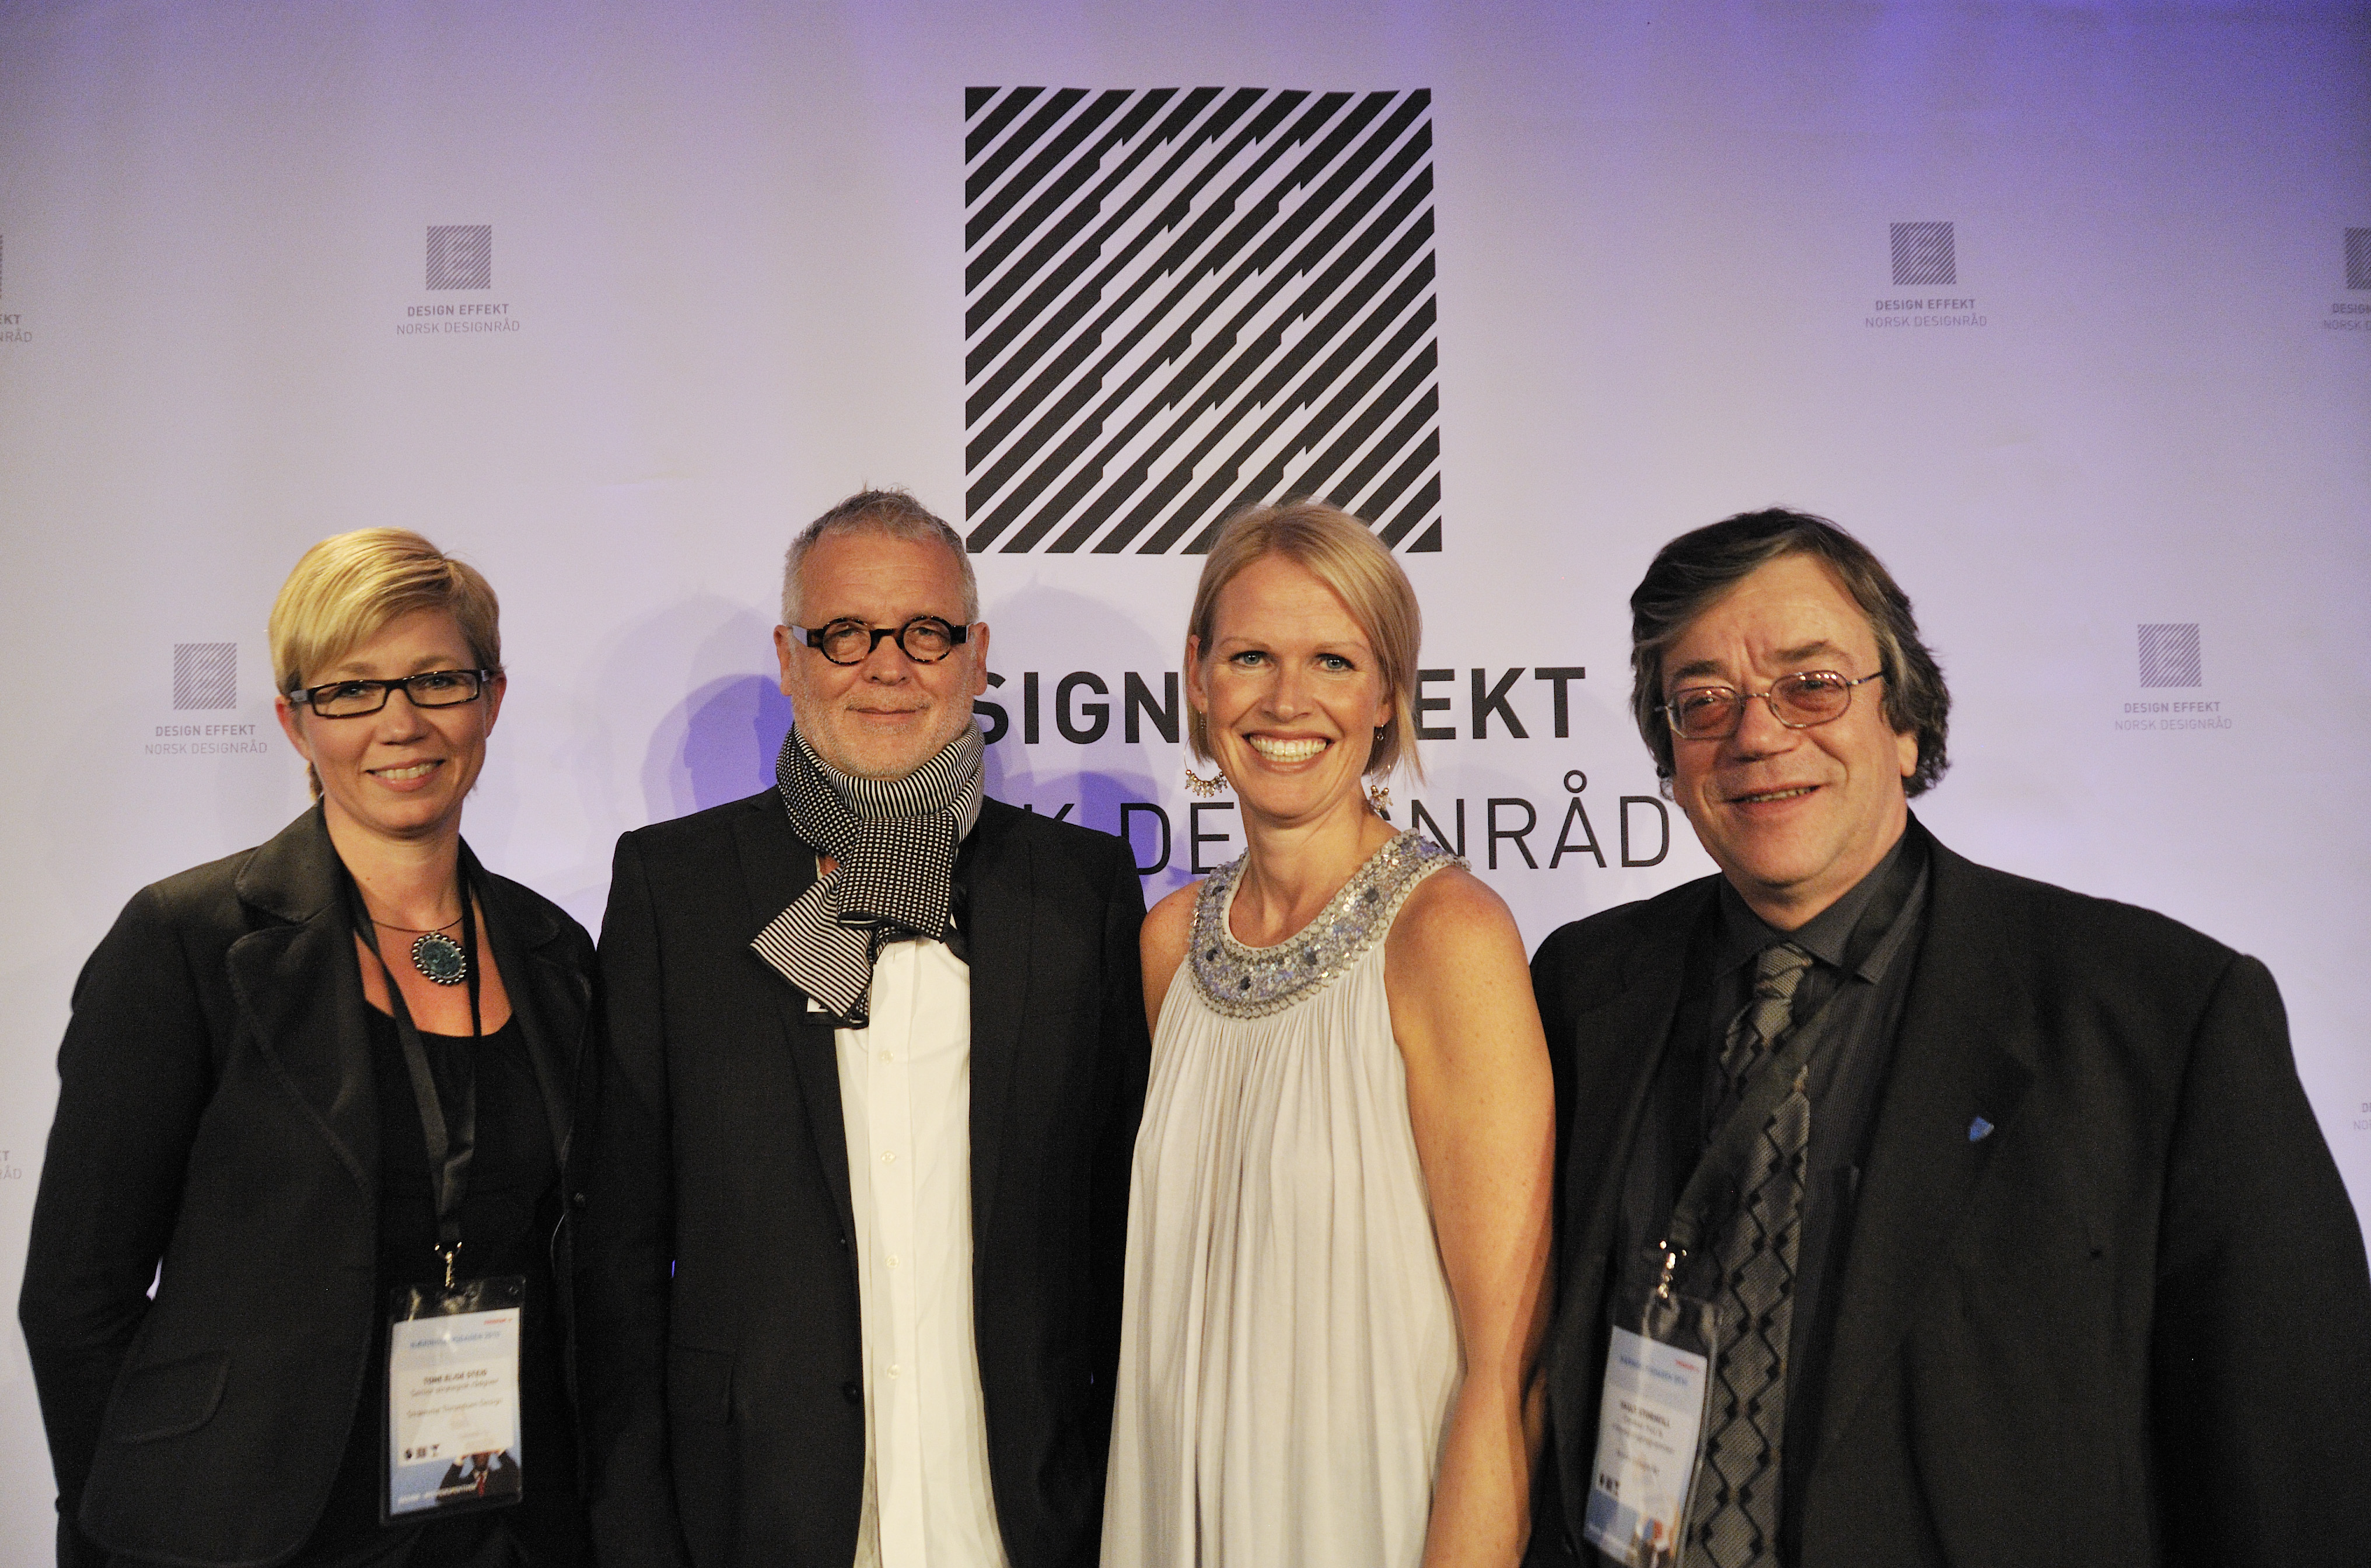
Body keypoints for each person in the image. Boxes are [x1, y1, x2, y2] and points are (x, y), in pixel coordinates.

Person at [1526, 508, 2371, 1567]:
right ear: (1671, 755)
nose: (1758, 734)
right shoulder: (1584, 988)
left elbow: (2295, 1471)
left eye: (1811, 685)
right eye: (1704, 701)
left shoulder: (2162, 1016)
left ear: (1906, 724)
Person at [575, 489, 1152, 1567]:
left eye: (925, 632)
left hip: (1025, 1518)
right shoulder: (675, 889)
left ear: (977, 658)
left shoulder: (1081, 889)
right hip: (761, 1519)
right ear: (789, 658)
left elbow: (1122, 1230)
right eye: (846, 633)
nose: (888, 667)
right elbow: (619, 1255)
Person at [19, 530, 593, 1567]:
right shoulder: (187, 941)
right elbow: (76, 1297)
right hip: (250, 1533)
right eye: (351, 690)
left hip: (503, 1522)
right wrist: (129, 1525)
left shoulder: (556, 952)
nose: (401, 722)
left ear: (491, 699)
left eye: (438, 680)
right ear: (295, 722)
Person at [1101, 500, 1557, 1568]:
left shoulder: (1448, 936)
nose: (1286, 700)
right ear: (1199, 676)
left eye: (1335, 662)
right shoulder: (1170, 943)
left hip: (1370, 1523)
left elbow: (1506, 1368)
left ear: (1388, 694)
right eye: (1251, 656)